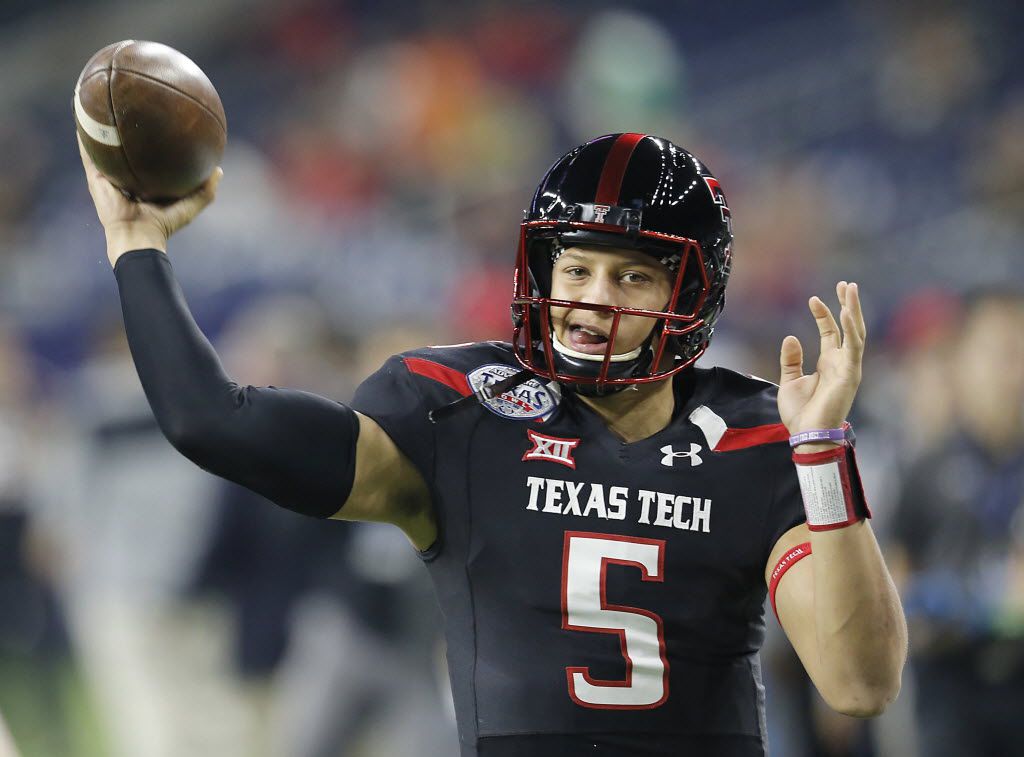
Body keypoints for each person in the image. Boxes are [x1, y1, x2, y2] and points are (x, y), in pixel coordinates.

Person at [78, 131, 907, 757]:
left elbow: (859, 681)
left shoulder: (761, 436)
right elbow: (210, 420)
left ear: (690, 292)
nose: (593, 300)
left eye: (632, 275)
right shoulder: (461, 416)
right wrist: (138, 244)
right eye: (576, 268)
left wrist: (824, 451)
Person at [890, 289, 1024, 757]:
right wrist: (948, 603)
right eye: (1001, 353)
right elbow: (894, 583)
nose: (1014, 373)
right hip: (951, 686)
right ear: (963, 361)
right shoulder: (927, 468)